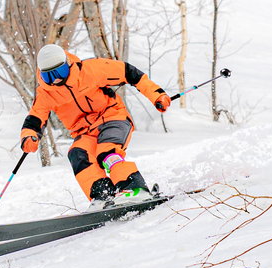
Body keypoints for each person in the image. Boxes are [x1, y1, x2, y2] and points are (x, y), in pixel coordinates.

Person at [19, 43, 173, 208]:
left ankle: (135, 188)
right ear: (42, 75)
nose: (56, 79)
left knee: (107, 150)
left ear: (68, 64)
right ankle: (103, 196)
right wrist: (29, 135)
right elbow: (36, 117)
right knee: (78, 154)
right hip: (85, 131)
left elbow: (129, 73)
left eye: (60, 72)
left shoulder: (90, 70)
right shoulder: (46, 93)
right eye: (49, 76)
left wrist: (157, 95)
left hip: (113, 118)